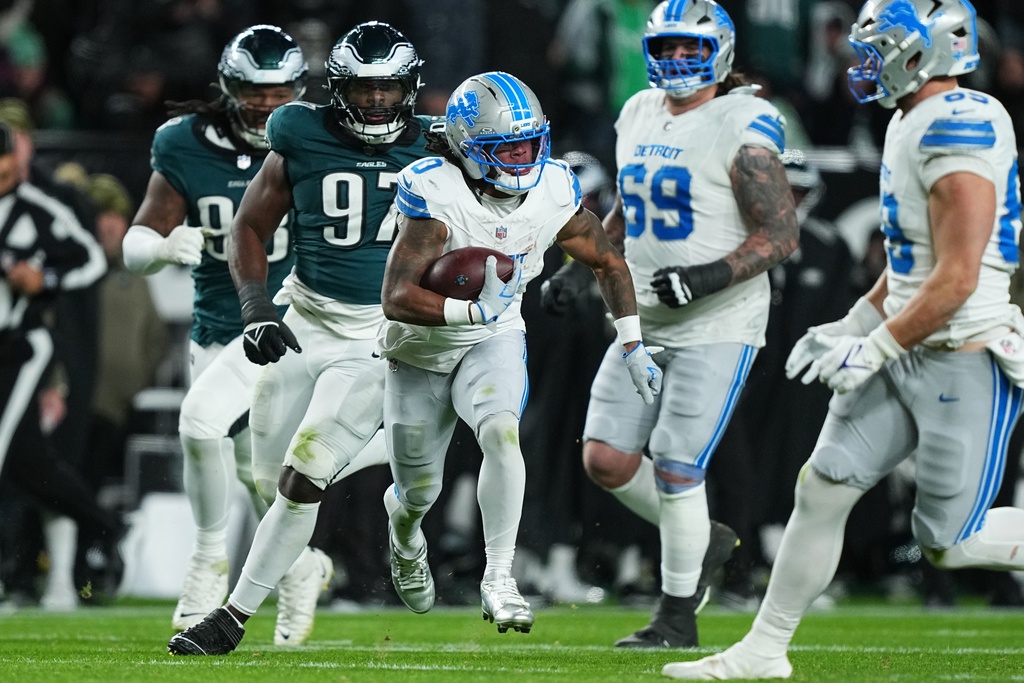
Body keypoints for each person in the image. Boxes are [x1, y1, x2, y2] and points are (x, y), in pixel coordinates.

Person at [664, 0, 1024, 678]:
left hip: (962, 353)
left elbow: (956, 276)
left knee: (949, 541)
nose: (863, 62)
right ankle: (764, 649)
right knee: (823, 485)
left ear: (924, 51)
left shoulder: (961, 125)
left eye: (879, 47)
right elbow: (913, 265)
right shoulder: (908, 118)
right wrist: (855, 323)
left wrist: (875, 345)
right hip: (907, 342)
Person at [167, 20, 434, 656]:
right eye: (364, 88)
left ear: (410, 88)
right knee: (266, 478)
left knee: (304, 469)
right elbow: (247, 229)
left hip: (378, 332)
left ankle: (230, 615)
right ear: (338, 87)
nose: (376, 101)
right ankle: (317, 555)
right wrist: (257, 306)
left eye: (389, 88)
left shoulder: (441, 148)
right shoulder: (300, 132)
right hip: (305, 319)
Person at [543, 0, 800, 649]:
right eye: (670, 48)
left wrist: (712, 274)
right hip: (643, 318)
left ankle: (677, 615)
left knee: (679, 465)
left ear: (720, 50)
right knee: (604, 457)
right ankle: (701, 537)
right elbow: (636, 205)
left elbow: (781, 231)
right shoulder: (637, 110)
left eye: (692, 48)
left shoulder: (743, 119)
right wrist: (586, 267)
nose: (679, 60)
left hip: (720, 321)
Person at [376, 70, 663, 635]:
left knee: (502, 434)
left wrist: (632, 341)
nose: (522, 158)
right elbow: (396, 297)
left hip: (495, 334)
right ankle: (405, 532)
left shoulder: (554, 188)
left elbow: (607, 261)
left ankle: (499, 577)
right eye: (506, 148)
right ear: (467, 147)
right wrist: (469, 311)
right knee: (417, 490)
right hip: (421, 344)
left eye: (530, 145)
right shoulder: (436, 192)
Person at [120, 25, 333, 642]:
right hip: (221, 324)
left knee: (206, 428)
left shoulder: (319, 140)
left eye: (279, 91)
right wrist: (160, 247)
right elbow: (137, 240)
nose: (267, 104)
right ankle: (299, 569)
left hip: (293, 323)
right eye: (252, 90)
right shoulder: (184, 144)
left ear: (299, 88)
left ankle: (210, 560)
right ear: (227, 87)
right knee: (254, 470)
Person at [0, 121, 124, 604]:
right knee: (28, 460)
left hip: (19, 347)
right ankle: (104, 524)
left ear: (17, 160)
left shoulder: (39, 209)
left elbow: (91, 259)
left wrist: (44, 277)